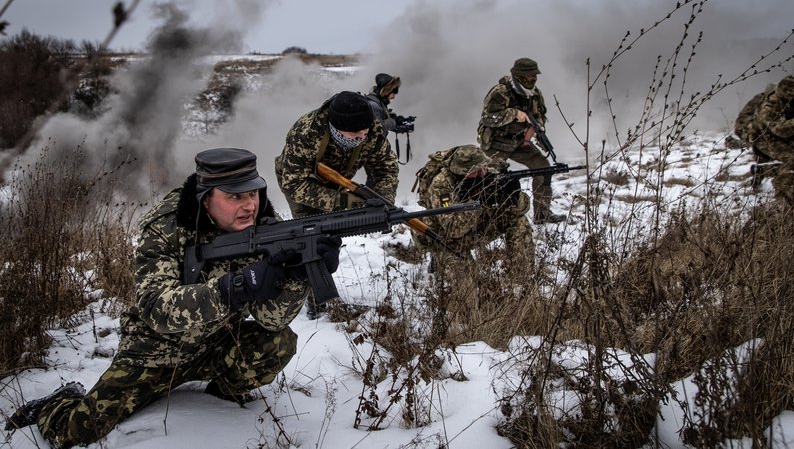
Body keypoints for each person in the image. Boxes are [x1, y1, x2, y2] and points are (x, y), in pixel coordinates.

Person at [4, 148, 341, 448]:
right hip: (155, 352)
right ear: (206, 197)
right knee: (77, 431)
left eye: (253, 192)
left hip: (217, 340)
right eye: (235, 196)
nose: (249, 204)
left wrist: (297, 276)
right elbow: (155, 308)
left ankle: (219, 397)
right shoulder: (166, 227)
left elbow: (272, 320)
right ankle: (58, 403)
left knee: (278, 342)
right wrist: (235, 287)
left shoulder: (267, 225)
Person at [275, 90, 399, 218]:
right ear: (337, 128)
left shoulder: (373, 129)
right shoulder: (306, 134)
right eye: (354, 133)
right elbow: (293, 185)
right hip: (301, 184)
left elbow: (386, 168)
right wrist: (347, 201)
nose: (362, 137)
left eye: (365, 132)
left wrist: (383, 203)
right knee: (314, 231)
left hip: (338, 181)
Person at [415, 144, 534, 270]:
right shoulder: (441, 185)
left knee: (518, 221)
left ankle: (523, 274)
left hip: (476, 227)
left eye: (482, 167)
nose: (482, 172)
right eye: (476, 171)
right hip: (446, 238)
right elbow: (453, 230)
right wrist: (476, 202)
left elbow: (522, 209)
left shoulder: (485, 174)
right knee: (468, 282)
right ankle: (439, 258)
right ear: (462, 172)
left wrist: (514, 195)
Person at [477, 57, 565, 224]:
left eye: (535, 75)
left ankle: (542, 215)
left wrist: (535, 130)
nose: (534, 79)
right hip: (496, 144)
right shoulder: (500, 92)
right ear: (519, 76)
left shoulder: (535, 94)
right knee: (487, 179)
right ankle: (484, 219)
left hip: (520, 143)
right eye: (531, 75)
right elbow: (487, 118)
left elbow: (539, 117)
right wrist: (514, 114)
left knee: (543, 168)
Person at [737, 75, 794, 202]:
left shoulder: (790, 99)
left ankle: (762, 169)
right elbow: (779, 129)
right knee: (793, 158)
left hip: (778, 133)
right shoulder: (770, 105)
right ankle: (785, 197)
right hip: (761, 135)